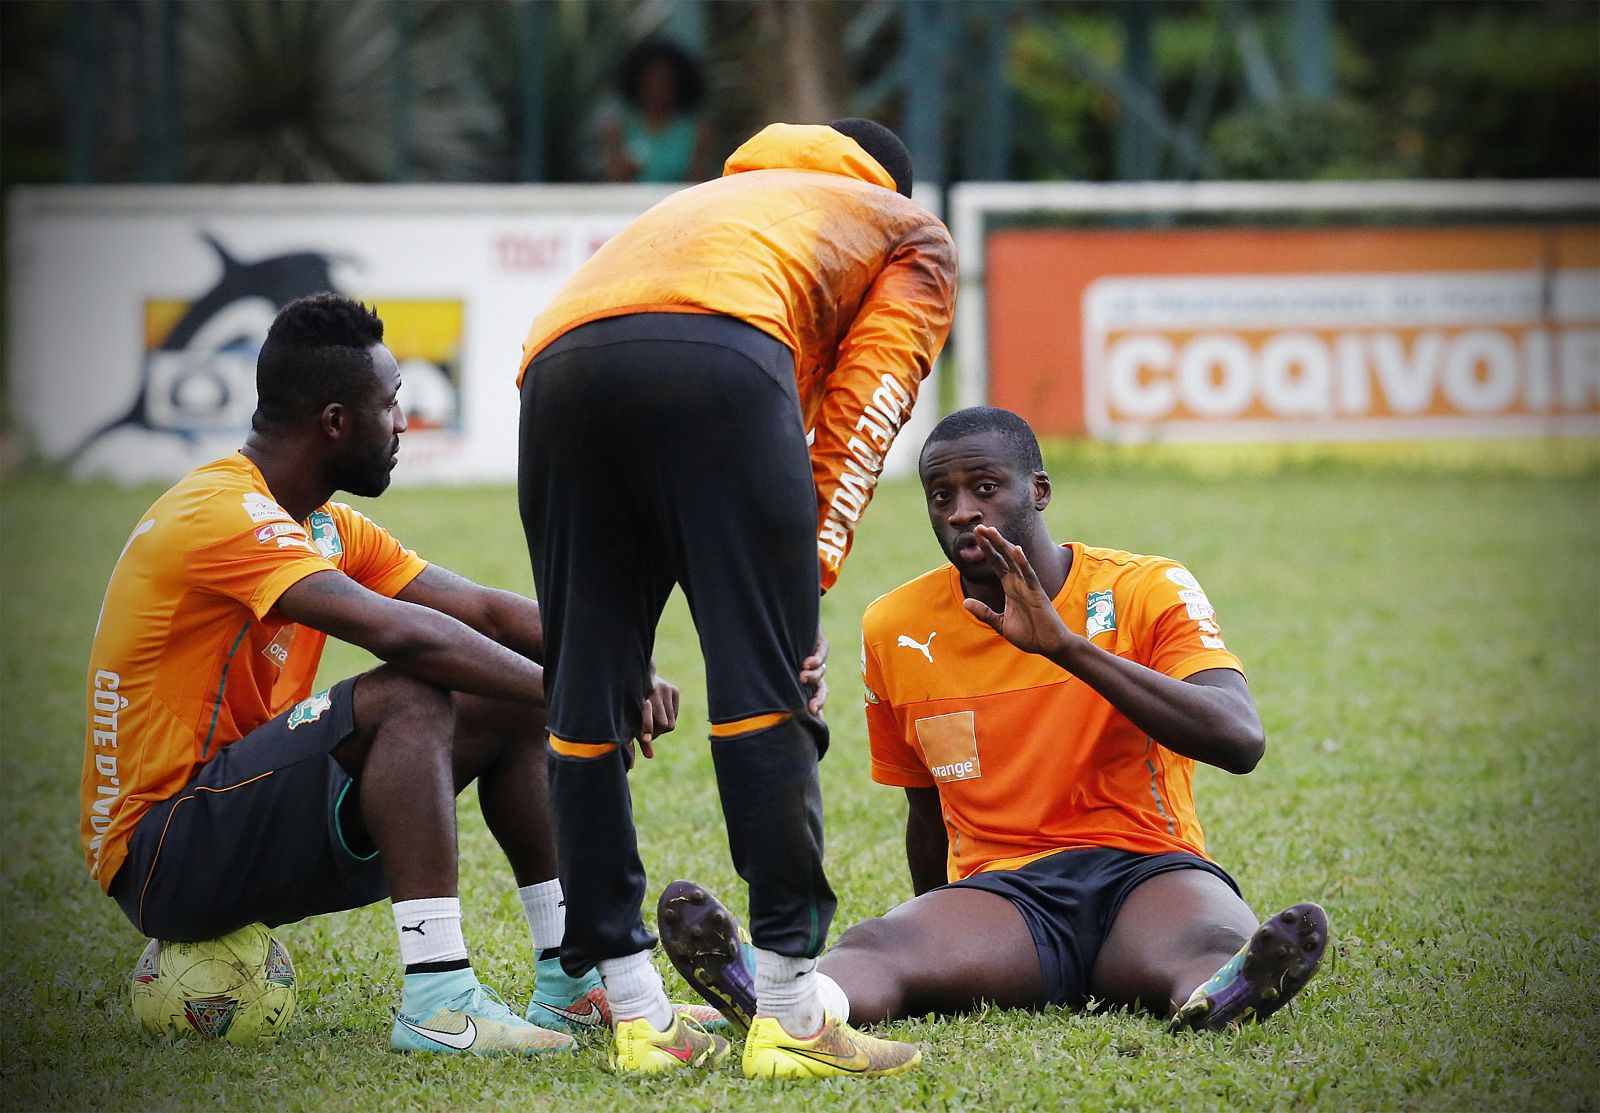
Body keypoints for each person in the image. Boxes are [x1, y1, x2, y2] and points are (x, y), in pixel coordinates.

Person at [80, 293, 717, 1058]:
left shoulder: (323, 523)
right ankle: (438, 1002)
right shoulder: (218, 513)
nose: (403, 424)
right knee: (411, 691)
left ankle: (571, 980)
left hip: (235, 815)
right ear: (335, 421)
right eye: (392, 403)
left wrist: (617, 662)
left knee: (501, 694)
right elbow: (401, 633)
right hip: (161, 852)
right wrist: (579, 693)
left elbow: (482, 609)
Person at [658, 407, 1330, 1039]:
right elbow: (925, 811)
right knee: (877, 946)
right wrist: (939, 925)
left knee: (1211, 945)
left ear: (1038, 490)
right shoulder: (895, 626)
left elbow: (1239, 739)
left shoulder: (1146, 587)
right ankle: (790, 1001)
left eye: (985, 486)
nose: (962, 512)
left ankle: (1217, 997)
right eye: (940, 496)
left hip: (1150, 872)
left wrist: (1067, 647)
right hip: (1008, 896)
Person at [517, 118, 956, 1078]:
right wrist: (796, 594)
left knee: (582, 704)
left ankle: (638, 1019)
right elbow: (862, 414)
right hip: (721, 358)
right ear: (896, 189)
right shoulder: (903, 230)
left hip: (553, 369)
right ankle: (794, 1019)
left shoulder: (712, 199)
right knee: (766, 693)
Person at [598, 38, 714, 183]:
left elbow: (698, 183)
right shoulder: (616, 131)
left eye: (666, 79)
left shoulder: (698, 133)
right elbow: (612, 183)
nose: (658, 87)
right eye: (651, 79)